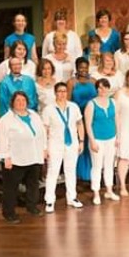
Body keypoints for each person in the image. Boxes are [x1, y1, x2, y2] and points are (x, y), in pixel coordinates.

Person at [0, 91, 46, 224]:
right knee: (11, 188)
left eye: (23, 100)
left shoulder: (34, 115)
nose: (21, 103)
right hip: (15, 159)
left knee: (33, 184)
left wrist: (44, 149)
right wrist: (5, 157)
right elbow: (1, 139)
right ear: (12, 103)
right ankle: (9, 213)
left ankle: (32, 206)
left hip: (33, 156)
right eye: (18, 101)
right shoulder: (6, 120)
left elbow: (42, 133)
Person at [42, 82, 85, 213]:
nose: (62, 94)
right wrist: (44, 147)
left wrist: (81, 141)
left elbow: (79, 124)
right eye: (59, 91)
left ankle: (72, 197)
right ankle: (49, 200)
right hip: (55, 144)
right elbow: (45, 129)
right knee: (53, 172)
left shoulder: (73, 107)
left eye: (64, 91)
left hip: (72, 143)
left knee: (71, 171)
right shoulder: (48, 109)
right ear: (55, 93)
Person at [84, 78, 120, 205]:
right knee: (97, 166)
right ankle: (96, 192)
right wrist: (92, 141)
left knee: (109, 165)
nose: (103, 90)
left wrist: (118, 137)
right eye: (100, 87)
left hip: (111, 138)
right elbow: (88, 124)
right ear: (97, 89)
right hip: (97, 139)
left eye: (105, 87)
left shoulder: (113, 102)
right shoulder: (91, 104)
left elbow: (116, 120)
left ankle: (109, 190)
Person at [67, 57, 97, 182]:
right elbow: (68, 101)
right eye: (81, 67)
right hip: (78, 117)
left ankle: (92, 173)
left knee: (91, 142)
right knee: (80, 144)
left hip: (92, 117)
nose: (83, 70)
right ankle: (79, 174)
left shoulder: (94, 81)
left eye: (85, 67)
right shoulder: (71, 82)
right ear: (77, 68)